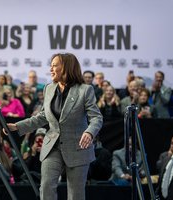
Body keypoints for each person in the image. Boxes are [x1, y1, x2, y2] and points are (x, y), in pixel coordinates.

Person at [6, 53, 103, 200]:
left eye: (54, 65)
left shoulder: (85, 90)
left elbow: (96, 117)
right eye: (50, 66)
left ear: (66, 68)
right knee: (45, 186)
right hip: (52, 146)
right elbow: (43, 116)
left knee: (76, 194)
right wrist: (17, 126)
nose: (51, 69)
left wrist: (89, 132)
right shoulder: (49, 88)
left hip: (78, 148)